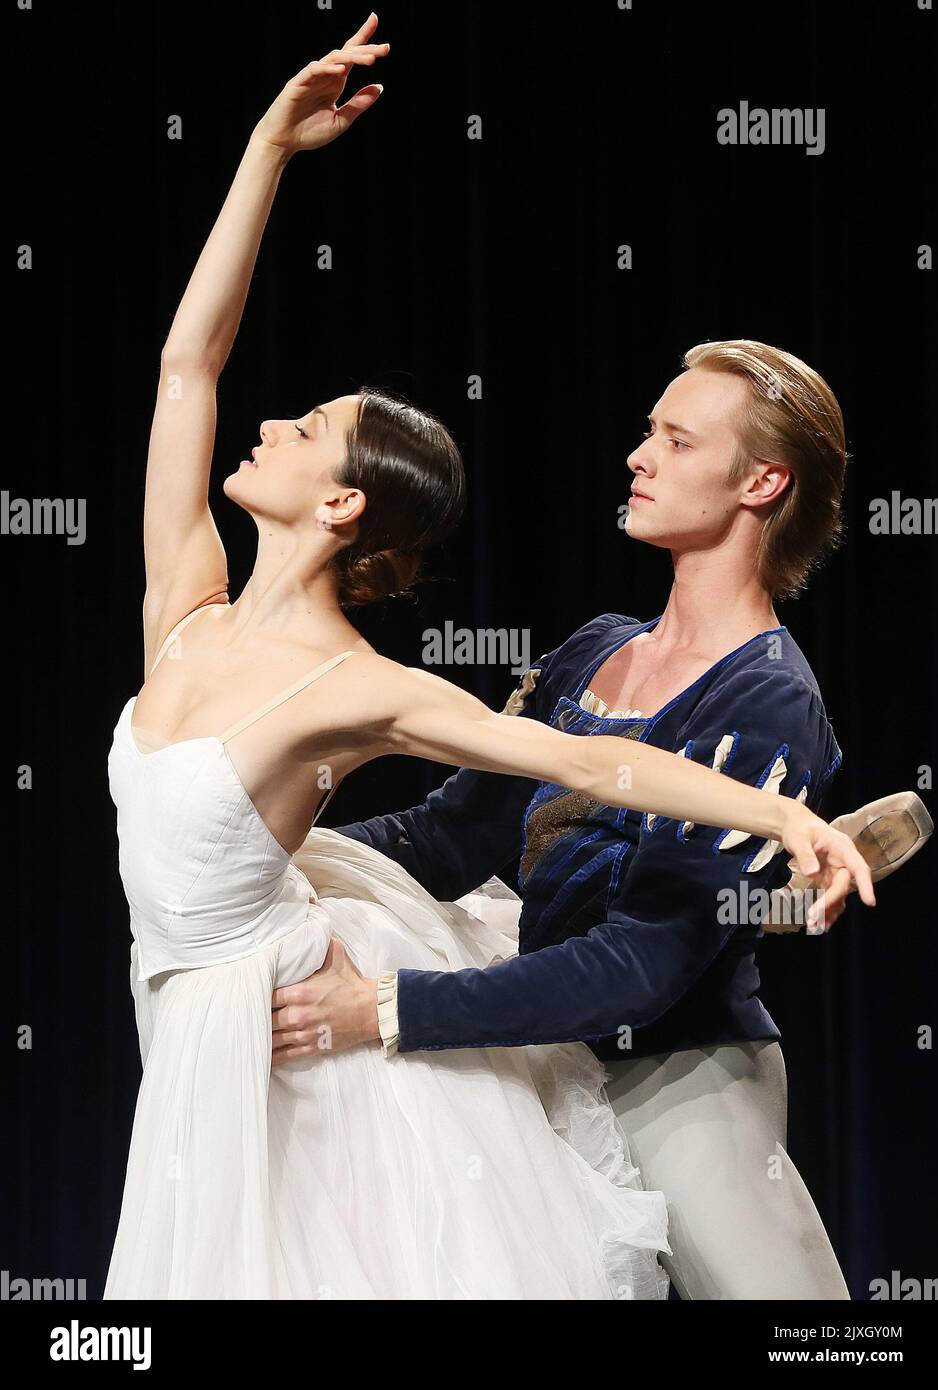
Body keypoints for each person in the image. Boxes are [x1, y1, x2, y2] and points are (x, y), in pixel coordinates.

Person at [103, 17, 875, 1300]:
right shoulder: (205, 606)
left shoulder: (758, 692)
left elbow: (616, 854)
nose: (636, 452)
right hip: (258, 1023)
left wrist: (778, 817)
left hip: (666, 1060)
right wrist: (265, 151)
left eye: (673, 439)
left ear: (759, 482)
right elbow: (190, 362)